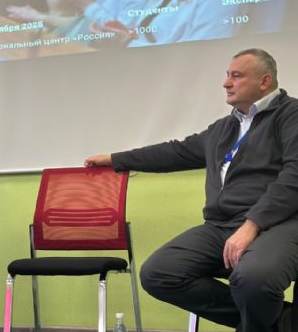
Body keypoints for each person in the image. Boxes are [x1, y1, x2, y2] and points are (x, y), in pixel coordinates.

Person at [84, 49, 298, 332]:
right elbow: (175, 152)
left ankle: (262, 321)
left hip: (278, 224)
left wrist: (252, 225)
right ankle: (281, 322)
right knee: (160, 273)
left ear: (264, 81)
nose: (226, 82)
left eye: (236, 76)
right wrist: (115, 159)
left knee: (253, 279)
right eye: (227, 75)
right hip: (222, 226)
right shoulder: (224, 128)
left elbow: (294, 176)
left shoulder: (291, 114)